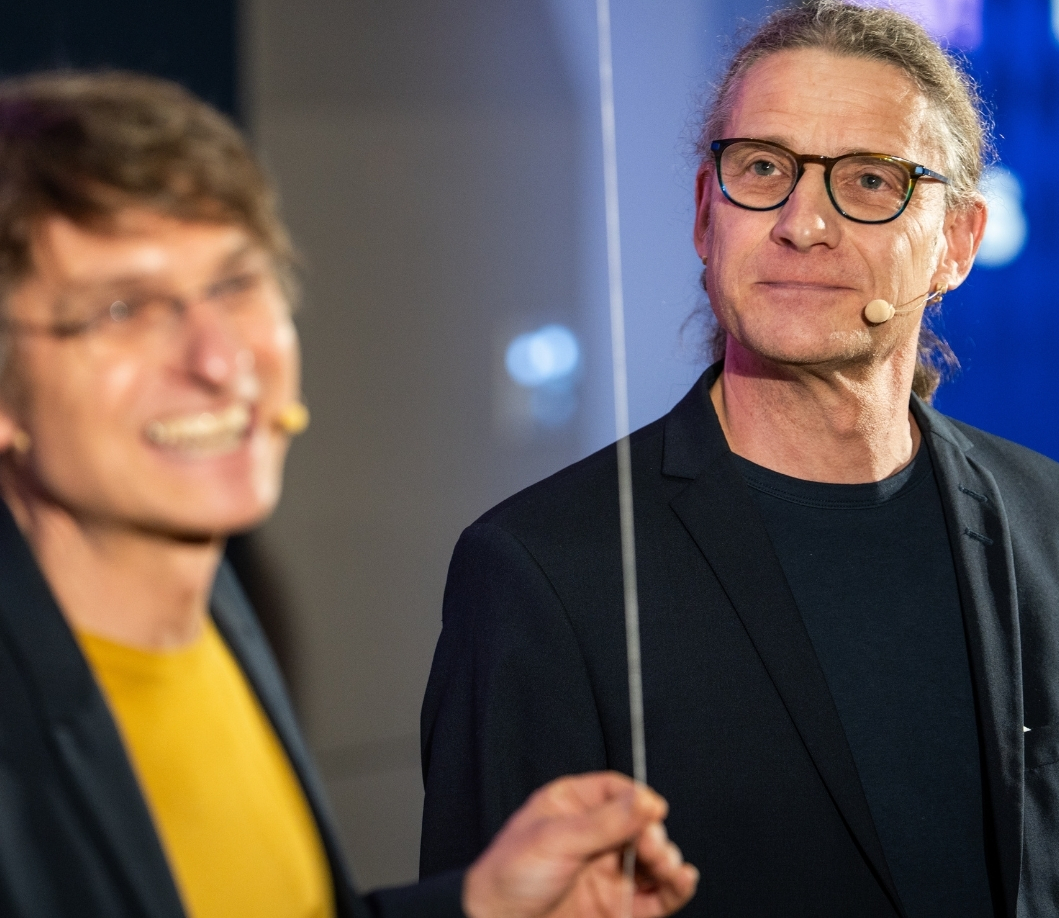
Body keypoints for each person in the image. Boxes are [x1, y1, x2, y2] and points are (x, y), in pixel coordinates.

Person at [420, 0, 1059, 917]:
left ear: (957, 242)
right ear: (706, 215)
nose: (802, 222)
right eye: (763, 169)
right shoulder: (543, 571)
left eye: (869, 181)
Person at [0, 71, 698, 918]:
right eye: (123, 309)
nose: (219, 360)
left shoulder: (217, 610)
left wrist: (479, 907)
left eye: (234, 284)